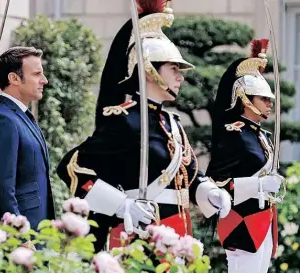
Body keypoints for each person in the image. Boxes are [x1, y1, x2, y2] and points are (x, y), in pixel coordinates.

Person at [57, 0, 231, 252]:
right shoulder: (124, 121)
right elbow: (73, 168)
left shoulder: (172, 123)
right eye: (173, 69)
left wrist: (208, 190)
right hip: (140, 234)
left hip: (178, 232)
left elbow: (190, 175)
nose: (181, 77)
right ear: (150, 71)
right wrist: (121, 205)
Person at [205, 38, 284, 273]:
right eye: (264, 99)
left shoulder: (263, 136)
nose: (269, 104)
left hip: (264, 222)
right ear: (245, 98)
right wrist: (258, 184)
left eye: (270, 100)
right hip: (241, 223)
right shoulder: (234, 135)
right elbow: (215, 182)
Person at [0, 46, 54, 232]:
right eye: (37, 74)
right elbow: (2, 188)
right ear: (14, 78)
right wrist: (20, 237)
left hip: (38, 229)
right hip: (17, 236)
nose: (44, 80)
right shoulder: (2, 119)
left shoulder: (22, 115)